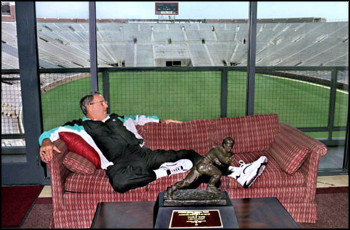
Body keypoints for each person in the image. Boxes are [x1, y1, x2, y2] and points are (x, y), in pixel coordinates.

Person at [39, 91, 202, 193]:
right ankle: (164, 172)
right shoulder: (80, 126)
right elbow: (51, 133)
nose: (106, 105)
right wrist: (46, 141)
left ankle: (226, 169)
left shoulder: (117, 118)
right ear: (89, 107)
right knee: (119, 182)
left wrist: (161, 121)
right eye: (102, 102)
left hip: (143, 154)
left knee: (189, 154)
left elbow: (138, 119)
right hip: (118, 162)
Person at [166, 137, 235, 198]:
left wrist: (222, 162)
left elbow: (222, 163)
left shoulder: (225, 152)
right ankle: (210, 187)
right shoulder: (216, 149)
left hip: (200, 166)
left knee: (187, 182)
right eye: (227, 146)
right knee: (218, 173)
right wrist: (228, 160)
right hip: (204, 166)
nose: (229, 148)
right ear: (223, 144)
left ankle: (172, 188)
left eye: (231, 147)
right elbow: (224, 160)